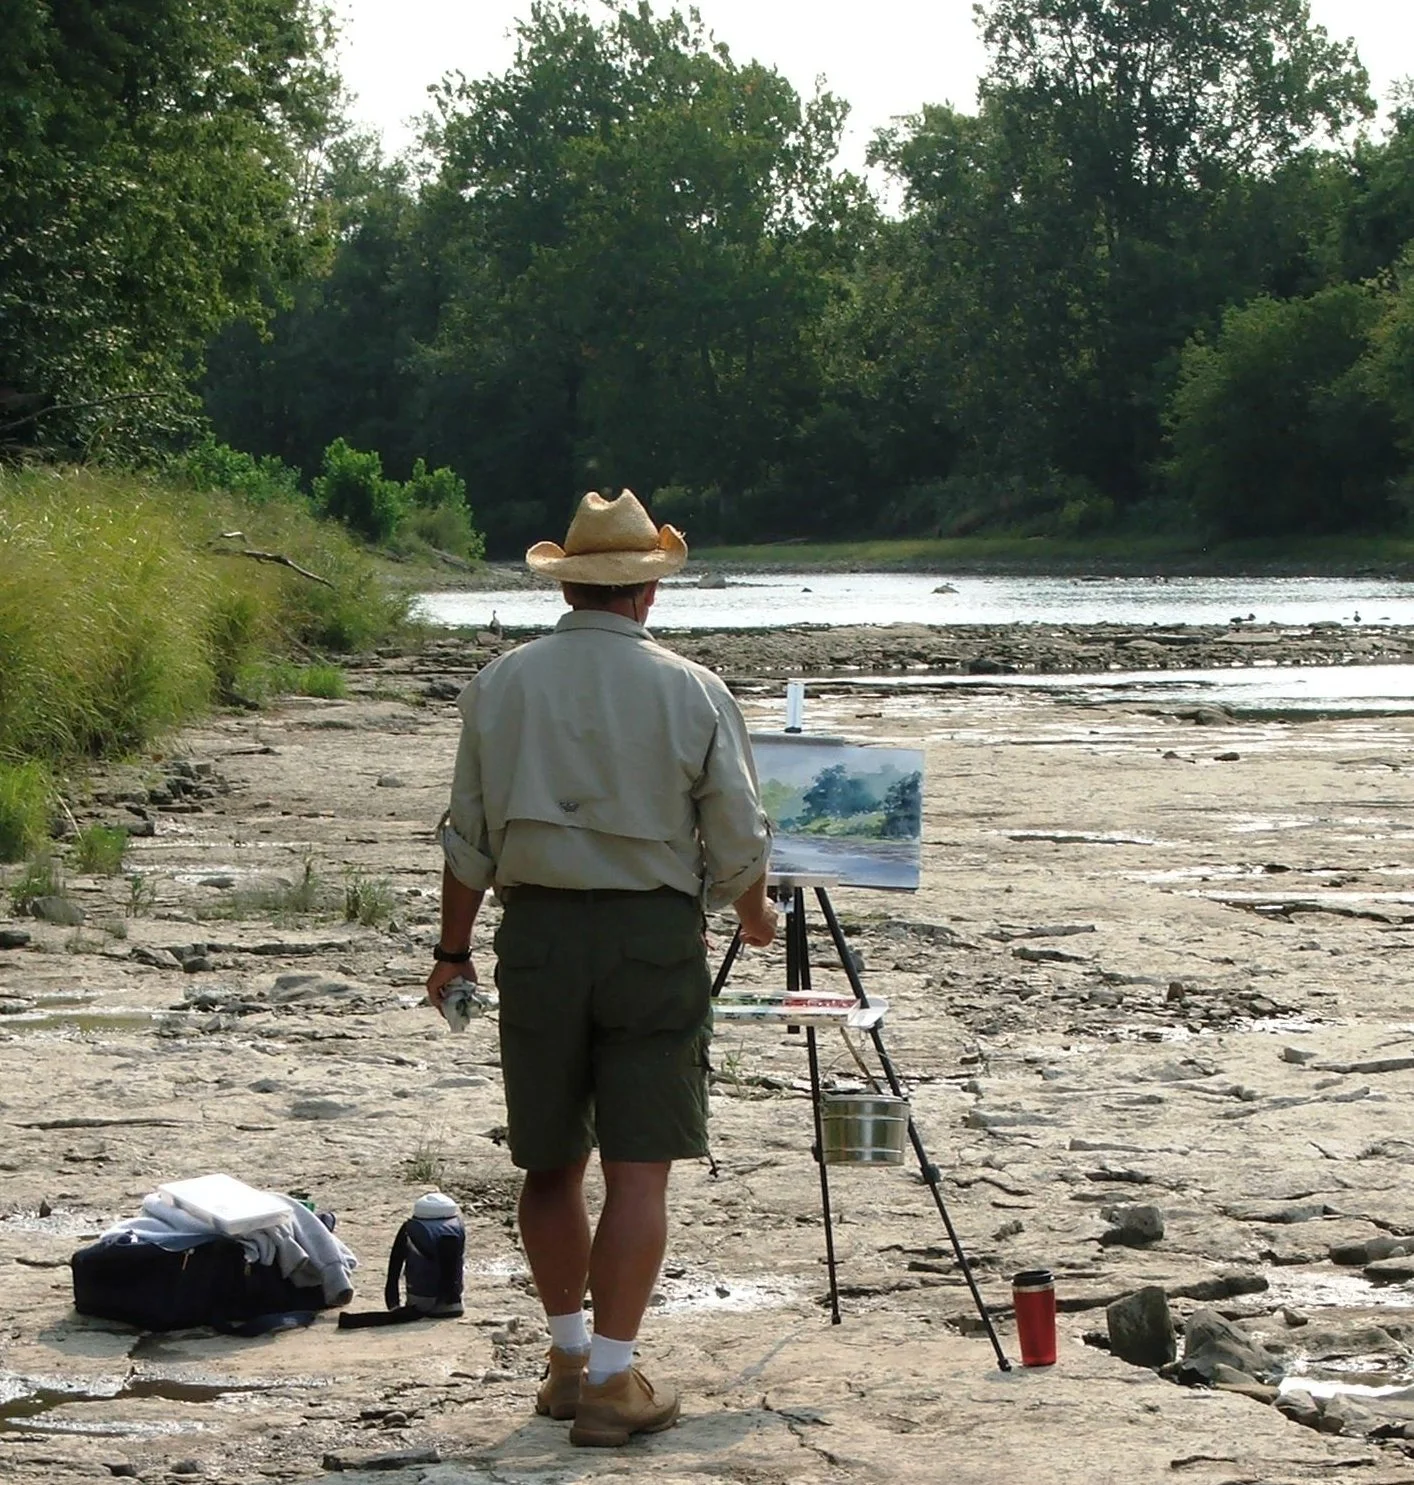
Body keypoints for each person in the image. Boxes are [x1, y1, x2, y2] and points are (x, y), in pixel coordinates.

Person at [426, 490, 776, 1447]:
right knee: (638, 1172)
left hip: (536, 935)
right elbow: (739, 843)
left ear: (568, 583)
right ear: (645, 594)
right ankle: (616, 1383)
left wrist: (451, 952)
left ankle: (568, 1359)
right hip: (649, 940)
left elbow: (468, 841)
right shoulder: (693, 689)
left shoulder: (500, 684)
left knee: (549, 1161)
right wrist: (756, 917)